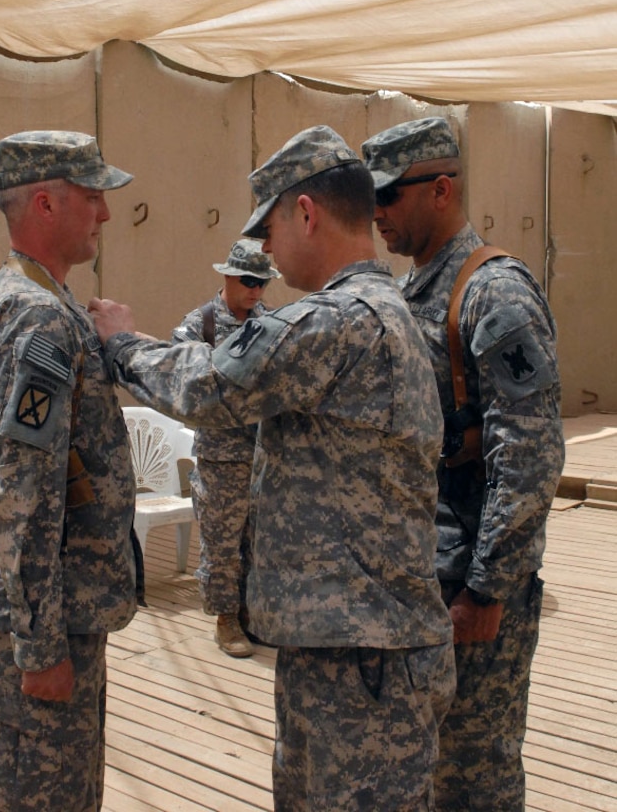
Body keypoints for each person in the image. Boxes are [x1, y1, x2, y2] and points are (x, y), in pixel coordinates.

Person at [89, 125, 456, 812]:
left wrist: (120, 344)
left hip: (360, 659)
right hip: (358, 645)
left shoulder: (338, 319)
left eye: (268, 229)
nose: (263, 252)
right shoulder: (389, 308)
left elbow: (209, 387)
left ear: (305, 212)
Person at [361, 116, 566, 812]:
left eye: (388, 195)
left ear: (440, 189)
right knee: (420, 764)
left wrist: (489, 589)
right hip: (418, 574)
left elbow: (530, 453)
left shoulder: (491, 294)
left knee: (473, 775)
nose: (375, 214)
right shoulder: (409, 291)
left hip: (467, 586)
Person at [0, 130, 139, 812]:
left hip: (38, 609)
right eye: (92, 198)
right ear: (46, 204)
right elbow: (19, 492)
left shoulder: (26, 297)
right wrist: (39, 643)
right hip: (36, 620)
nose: (105, 214)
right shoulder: (37, 320)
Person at [172, 237, 280, 658]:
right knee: (222, 542)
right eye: (248, 281)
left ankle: (250, 612)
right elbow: (181, 379)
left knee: (257, 539)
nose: (256, 291)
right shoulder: (200, 324)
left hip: (262, 453)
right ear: (228, 277)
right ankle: (225, 617)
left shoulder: (270, 322)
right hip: (221, 455)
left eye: (263, 283)